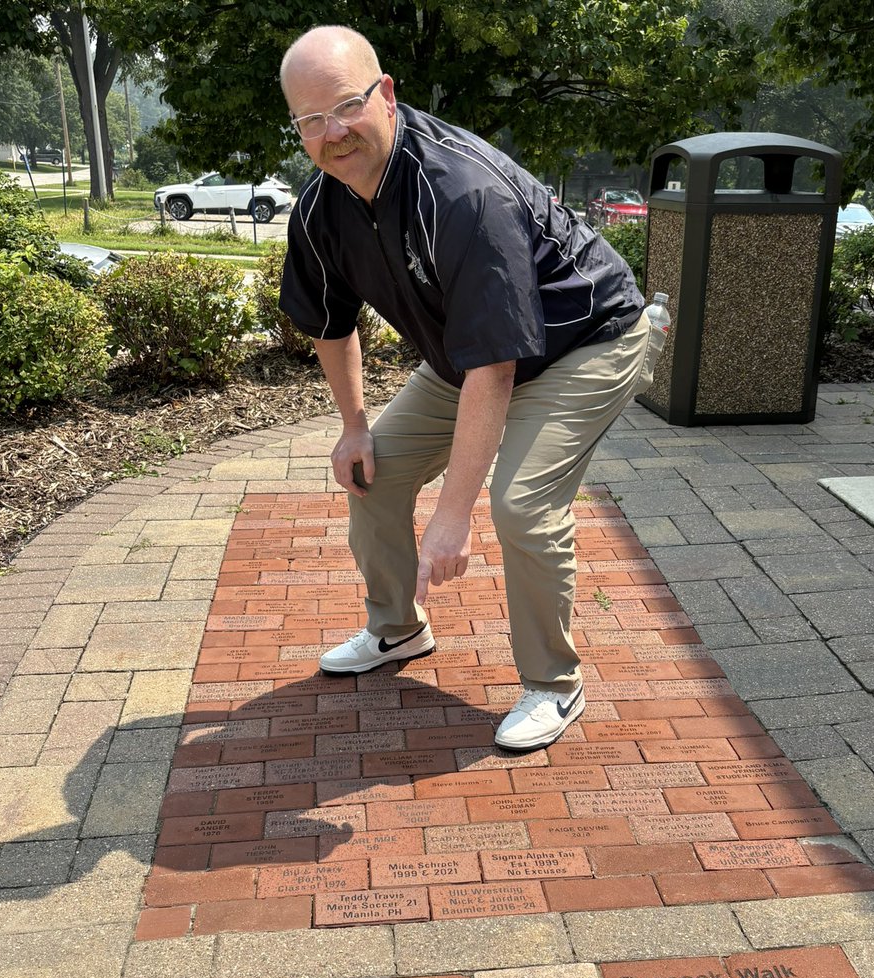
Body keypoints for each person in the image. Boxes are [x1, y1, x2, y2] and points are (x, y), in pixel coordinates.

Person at [278, 26, 665, 752]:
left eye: (347, 107)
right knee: (374, 473)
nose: (333, 133)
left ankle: (554, 684)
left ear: (386, 95)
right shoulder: (320, 209)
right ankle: (397, 630)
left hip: (588, 340)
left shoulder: (462, 194)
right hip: (477, 356)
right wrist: (354, 425)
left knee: (519, 501)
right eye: (310, 120)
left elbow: (496, 371)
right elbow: (331, 323)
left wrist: (452, 517)